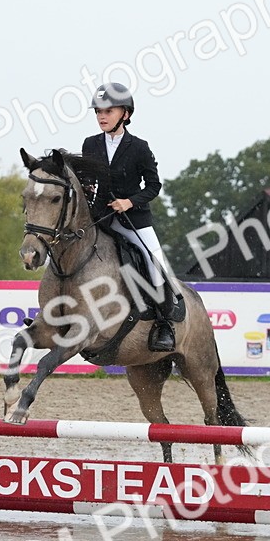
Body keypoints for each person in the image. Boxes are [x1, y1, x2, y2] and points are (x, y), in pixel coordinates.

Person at [81, 82, 179, 352]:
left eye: (108, 111)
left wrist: (129, 202)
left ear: (125, 113)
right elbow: (88, 181)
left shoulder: (139, 148)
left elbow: (153, 186)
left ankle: (164, 324)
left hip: (133, 220)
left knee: (155, 261)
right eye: (98, 111)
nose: (101, 116)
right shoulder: (90, 144)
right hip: (99, 217)